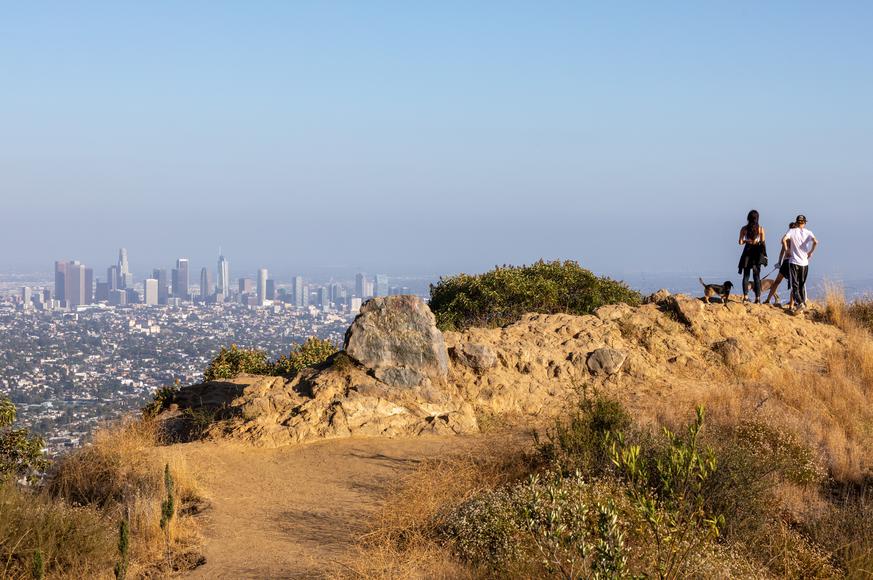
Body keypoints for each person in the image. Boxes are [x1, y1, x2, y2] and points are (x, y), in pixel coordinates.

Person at [782, 214, 818, 312]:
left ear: (797, 222)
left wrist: (786, 250)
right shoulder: (808, 232)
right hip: (805, 263)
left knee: (795, 285)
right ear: (805, 223)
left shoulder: (792, 231)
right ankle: (801, 304)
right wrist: (810, 252)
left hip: (794, 262)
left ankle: (800, 303)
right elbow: (816, 242)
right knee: (802, 284)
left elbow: (783, 240)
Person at [738, 209, 768, 303]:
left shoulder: (744, 229)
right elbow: (763, 243)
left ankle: (746, 297)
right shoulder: (761, 229)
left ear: (748, 218)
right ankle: (758, 298)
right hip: (757, 253)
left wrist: (747, 241)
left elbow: (740, 242)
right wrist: (765, 256)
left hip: (747, 253)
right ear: (757, 218)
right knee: (757, 276)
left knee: (746, 275)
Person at [763, 222, 796, 307]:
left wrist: (779, 262)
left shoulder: (787, 237)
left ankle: (767, 300)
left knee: (777, 282)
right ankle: (791, 305)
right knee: (794, 284)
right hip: (793, 263)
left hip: (785, 262)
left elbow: (782, 252)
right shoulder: (796, 238)